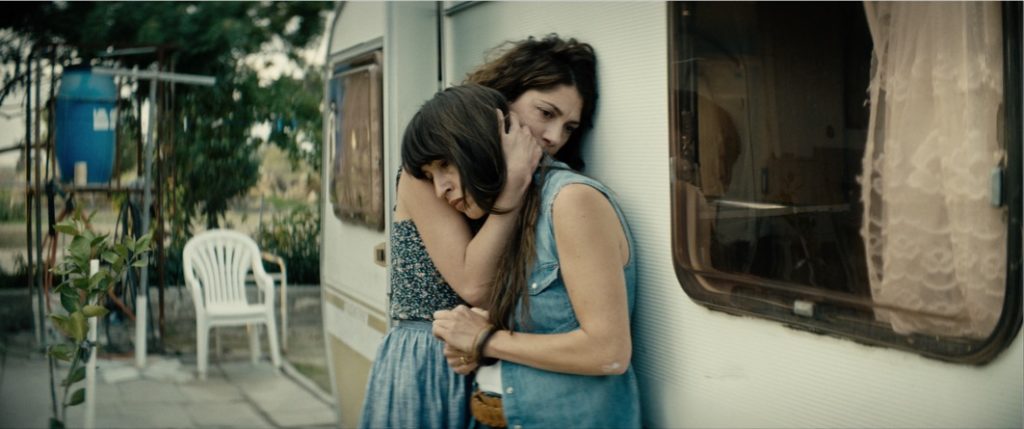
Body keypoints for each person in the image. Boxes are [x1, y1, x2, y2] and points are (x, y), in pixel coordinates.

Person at [359, 34, 599, 429]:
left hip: (487, 362)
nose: (555, 137)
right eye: (545, 113)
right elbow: (473, 284)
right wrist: (512, 192)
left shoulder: (550, 191)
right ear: (503, 104)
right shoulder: (431, 171)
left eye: (569, 127)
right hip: (428, 362)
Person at [422, 85, 640, 428]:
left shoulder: (570, 200)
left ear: (479, 139)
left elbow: (608, 352)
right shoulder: (507, 210)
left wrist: (485, 340)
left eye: (445, 164)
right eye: (429, 175)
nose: (439, 188)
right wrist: (474, 348)